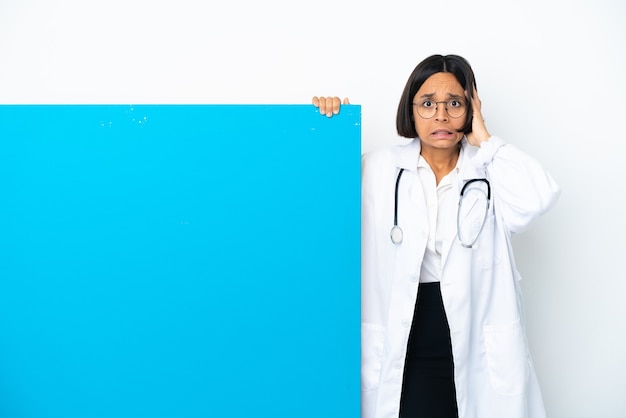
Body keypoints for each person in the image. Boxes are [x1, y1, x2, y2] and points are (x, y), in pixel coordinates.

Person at [313, 54, 560, 418]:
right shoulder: (376, 169)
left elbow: (537, 198)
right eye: (428, 104)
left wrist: (485, 139)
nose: (441, 116)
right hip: (403, 342)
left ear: (471, 109)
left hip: (473, 344)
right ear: (411, 110)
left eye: (454, 104)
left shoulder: (488, 170)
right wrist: (331, 133)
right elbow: (319, 203)